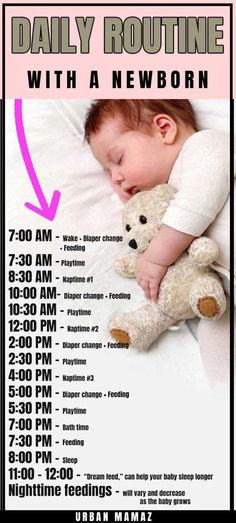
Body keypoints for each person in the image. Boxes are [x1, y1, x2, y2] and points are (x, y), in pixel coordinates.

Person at [84, 100, 231, 384]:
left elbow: (200, 199)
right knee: (213, 330)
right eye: (107, 172)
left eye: (119, 159)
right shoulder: (164, 203)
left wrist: (155, 257)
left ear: (164, 129)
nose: (115, 178)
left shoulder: (204, 147)